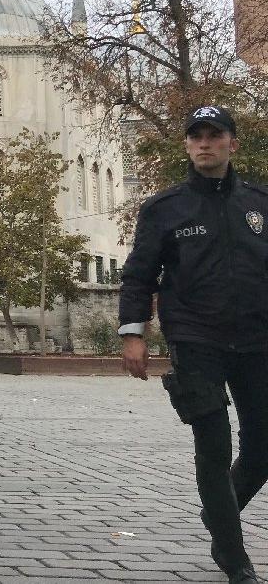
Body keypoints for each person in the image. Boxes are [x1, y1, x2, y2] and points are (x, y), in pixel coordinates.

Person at [120, 105, 268, 584]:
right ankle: (234, 558)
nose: (205, 143)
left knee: (264, 446)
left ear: (232, 143)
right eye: (197, 136)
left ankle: (219, 511)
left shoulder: (260, 204)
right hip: (195, 338)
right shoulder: (166, 209)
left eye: (215, 135)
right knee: (214, 444)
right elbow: (139, 274)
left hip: (256, 338)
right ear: (186, 145)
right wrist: (134, 333)